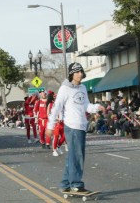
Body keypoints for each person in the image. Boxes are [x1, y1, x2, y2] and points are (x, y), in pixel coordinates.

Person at [46, 63, 104, 195]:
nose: (80, 74)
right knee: (77, 156)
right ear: (71, 74)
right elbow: (57, 107)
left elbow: (86, 106)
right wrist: (50, 126)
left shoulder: (82, 87)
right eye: (77, 72)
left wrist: (96, 107)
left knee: (72, 156)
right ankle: (76, 185)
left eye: (81, 72)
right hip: (72, 126)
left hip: (82, 125)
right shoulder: (65, 89)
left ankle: (65, 183)